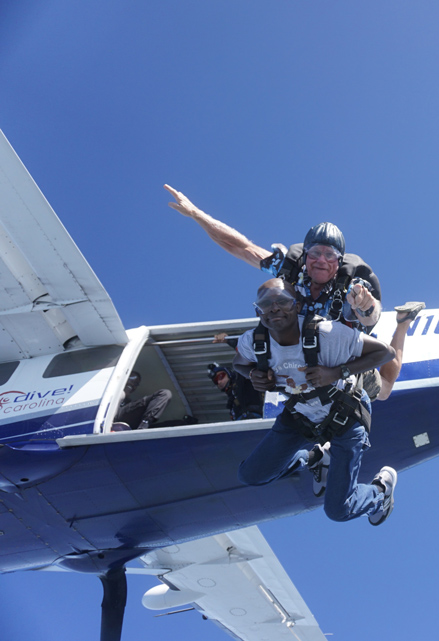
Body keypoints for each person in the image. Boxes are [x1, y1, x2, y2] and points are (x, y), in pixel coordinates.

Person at [164, 184, 417, 401]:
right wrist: (196, 214)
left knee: (384, 390)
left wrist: (364, 303)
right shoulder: (290, 269)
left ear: (339, 262)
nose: (321, 260)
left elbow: (371, 317)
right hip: (300, 351)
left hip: (340, 353)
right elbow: (239, 246)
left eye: (330, 255)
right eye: (315, 252)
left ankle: (402, 325)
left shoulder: (349, 286)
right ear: (305, 254)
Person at [233, 278, 398, 525]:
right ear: (258, 310)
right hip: (301, 415)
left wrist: (336, 372)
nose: (274, 308)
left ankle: (379, 494)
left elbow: (385, 353)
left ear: (297, 305)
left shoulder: (327, 333)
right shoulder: (254, 342)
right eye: (266, 304)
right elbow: (238, 363)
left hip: (345, 413)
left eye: (282, 301)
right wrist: (253, 375)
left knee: (339, 510)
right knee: (251, 475)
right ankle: (314, 458)